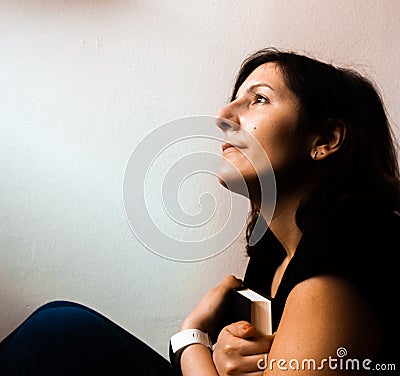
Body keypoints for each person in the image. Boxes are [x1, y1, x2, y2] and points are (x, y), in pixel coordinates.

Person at [0, 47, 399, 375]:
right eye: (234, 100)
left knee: (59, 333)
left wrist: (191, 338)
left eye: (258, 99)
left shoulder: (345, 251)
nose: (224, 117)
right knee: (61, 320)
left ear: (326, 138)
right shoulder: (272, 257)